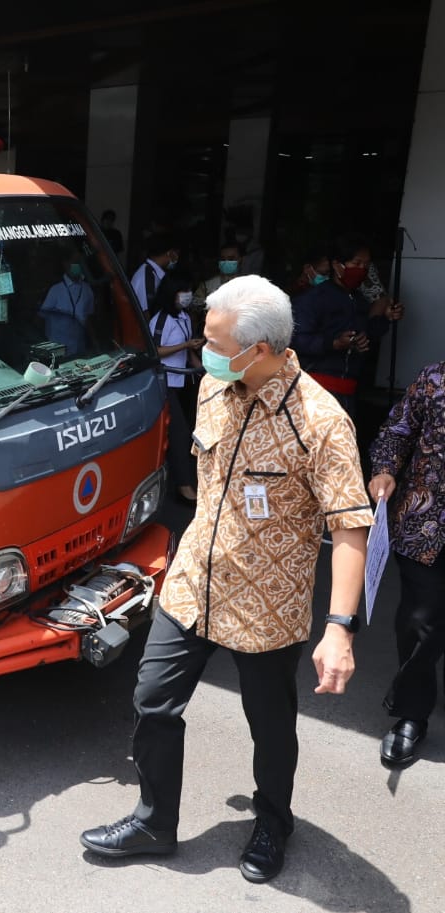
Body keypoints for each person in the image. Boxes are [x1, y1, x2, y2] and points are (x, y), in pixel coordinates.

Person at [80, 275, 371, 884]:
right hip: (192, 586)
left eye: (213, 340)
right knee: (153, 701)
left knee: (270, 727)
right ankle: (154, 820)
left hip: (267, 606)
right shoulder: (215, 385)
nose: (201, 351)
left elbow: (349, 529)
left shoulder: (321, 422)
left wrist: (339, 628)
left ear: (259, 350)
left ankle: (273, 823)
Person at [367, 360, 445, 766]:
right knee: (419, 620)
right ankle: (411, 714)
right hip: (424, 523)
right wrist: (384, 470)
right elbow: (397, 431)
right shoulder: (434, 379)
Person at [291, 235, 404, 414]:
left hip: (347, 393)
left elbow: (369, 334)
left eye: (366, 265)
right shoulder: (312, 299)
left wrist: (386, 318)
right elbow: (296, 340)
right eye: (356, 263)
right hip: (314, 391)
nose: (362, 269)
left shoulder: (359, 301)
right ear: (337, 265)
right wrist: (334, 343)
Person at [148, 270, 203, 503]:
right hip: (163, 382)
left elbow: (189, 350)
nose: (188, 295)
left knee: (187, 431)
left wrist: (200, 368)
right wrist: (185, 345)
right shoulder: (161, 319)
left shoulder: (184, 317)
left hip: (183, 380)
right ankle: (183, 486)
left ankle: (183, 478)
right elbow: (154, 351)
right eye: (184, 291)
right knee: (179, 434)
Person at [38, 254, 94, 358]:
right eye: (73, 263)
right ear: (65, 264)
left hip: (79, 348)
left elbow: (89, 317)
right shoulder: (55, 289)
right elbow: (41, 317)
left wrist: (95, 344)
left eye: (78, 263)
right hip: (58, 349)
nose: (76, 266)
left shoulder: (87, 289)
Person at [130, 235, 178, 314]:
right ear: (169, 253)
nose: (176, 258)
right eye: (175, 253)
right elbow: (146, 313)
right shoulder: (147, 276)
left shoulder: (154, 273)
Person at [193, 239, 242, 307]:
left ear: (240, 259)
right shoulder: (206, 286)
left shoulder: (250, 286)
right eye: (223, 259)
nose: (226, 262)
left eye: (231, 259)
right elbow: (195, 306)